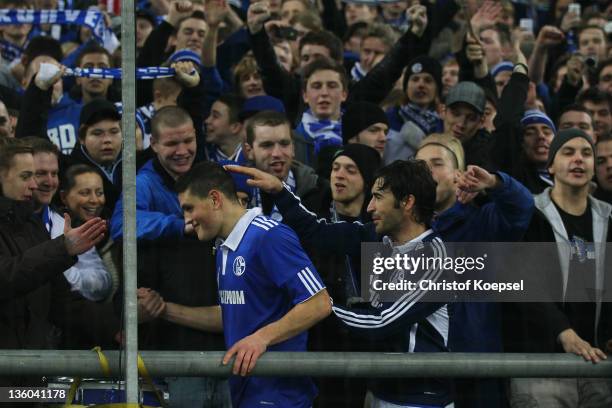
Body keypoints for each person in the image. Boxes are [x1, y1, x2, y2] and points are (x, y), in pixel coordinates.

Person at [227, 160, 454, 407]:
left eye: (378, 197)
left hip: (420, 399)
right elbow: (315, 232)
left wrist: (320, 306)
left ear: (407, 202)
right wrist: (280, 191)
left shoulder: (435, 258)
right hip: (378, 391)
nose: (370, 207)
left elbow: (382, 321)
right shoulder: (375, 237)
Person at [174, 161, 332, 407]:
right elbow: (236, 314)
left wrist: (262, 338)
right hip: (246, 392)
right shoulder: (223, 248)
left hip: (280, 396)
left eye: (189, 208)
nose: (187, 219)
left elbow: (319, 303)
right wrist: (165, 310)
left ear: (215, 199)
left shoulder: (269, 236)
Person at [111, 106, 229, 408]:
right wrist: (179, 225)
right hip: (173, 339)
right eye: (171, 144)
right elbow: (122, 225)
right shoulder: (144, 183)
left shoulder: (208, 175)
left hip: (221, 334)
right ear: (153, 144)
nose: (182, 151)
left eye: (188, 141)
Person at [508, 128, 612, 407]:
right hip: (541, 368)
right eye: (568, 152)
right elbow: (523, 285)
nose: (578, 159)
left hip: (598, 366)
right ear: (551, 166)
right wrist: (563, 332)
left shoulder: (608, 216)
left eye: (586, 153)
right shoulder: (530, 213)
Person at [0, 138, 106, 391]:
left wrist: (113, 325)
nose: (35, 185)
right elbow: (6, 276)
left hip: (32, 376)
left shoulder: (31, 223)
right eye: (26, 176)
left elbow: (60, 298)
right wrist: (62, 248)